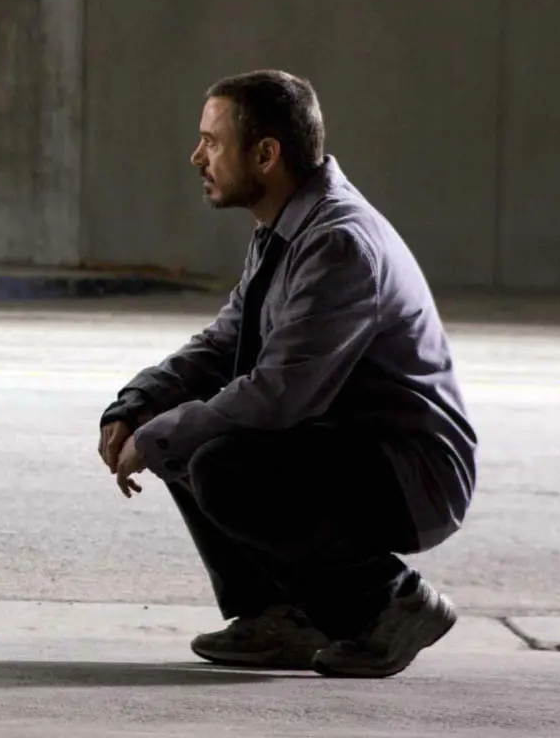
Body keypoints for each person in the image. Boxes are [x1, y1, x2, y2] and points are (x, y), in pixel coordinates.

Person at [96, 70, 477, 679]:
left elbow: (278, 396)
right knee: (184, 438)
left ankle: (392, 603)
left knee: (218, 461)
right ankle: (281, 617)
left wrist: (160, 433)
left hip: (410, 472)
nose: (197, 157)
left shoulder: (339, 243)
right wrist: (137, 404)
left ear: (266, 154)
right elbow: (223, 342)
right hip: (341, 445)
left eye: (212, 142)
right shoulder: (284, 228)